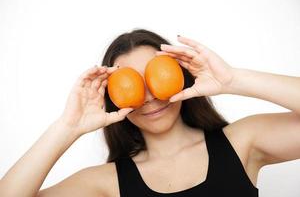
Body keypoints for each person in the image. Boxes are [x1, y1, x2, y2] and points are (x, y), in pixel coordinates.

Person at [1, 29, 300, 197]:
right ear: (113, 98)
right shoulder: (105, 183)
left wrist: (233, 80)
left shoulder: (242, 143)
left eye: (157, 76)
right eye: (130, 83)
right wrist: (68, 127)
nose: (148, 96)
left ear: (181, 76)